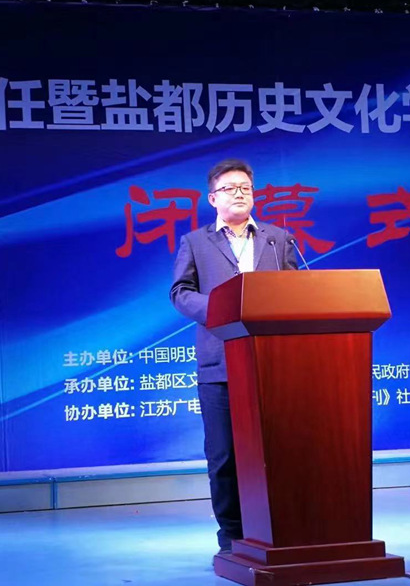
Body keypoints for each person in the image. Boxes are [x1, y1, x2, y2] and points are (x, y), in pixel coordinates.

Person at [170, 159, 297, 554]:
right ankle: (232, 536)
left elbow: (297, 290)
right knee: (224, 454)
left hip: (272, 363)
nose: (239, 194)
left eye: (245, 187)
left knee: (279, 451)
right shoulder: (196, 242)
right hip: (220, 364)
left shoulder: (277, 239)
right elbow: (180, 292)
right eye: (229, 188)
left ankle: (279, 529)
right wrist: (223, 309)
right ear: (212, 199)